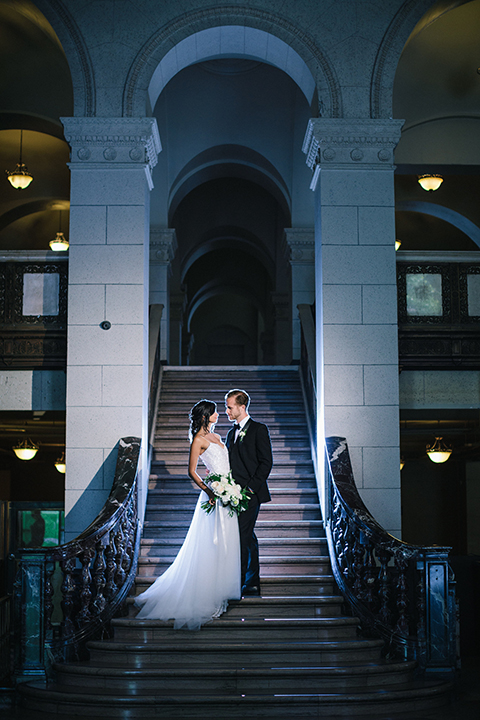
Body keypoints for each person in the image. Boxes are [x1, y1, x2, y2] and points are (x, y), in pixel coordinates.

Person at [134, 400, 241, 629]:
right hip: (213, 496)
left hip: (228, 494)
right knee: (211, 546)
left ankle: (221, 593)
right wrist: (209, 490)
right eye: (214, 412)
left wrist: (230, 488)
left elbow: (223, 466)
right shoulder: (199, 441)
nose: (218, 414)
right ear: (206, 416)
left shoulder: (218, 438)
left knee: (226, 545)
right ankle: (207, 597)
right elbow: (191, 471)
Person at [225, 389, 273, 596]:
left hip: (251, 493)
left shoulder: (259, 429)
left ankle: (239, 583)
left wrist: (250, 489)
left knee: (242, 536)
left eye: (229, 407)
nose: (226, 410)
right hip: (231, 493)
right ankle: (252, 580)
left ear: (242, 407)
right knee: (247, 536)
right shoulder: (230, 432)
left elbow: (266, 463)